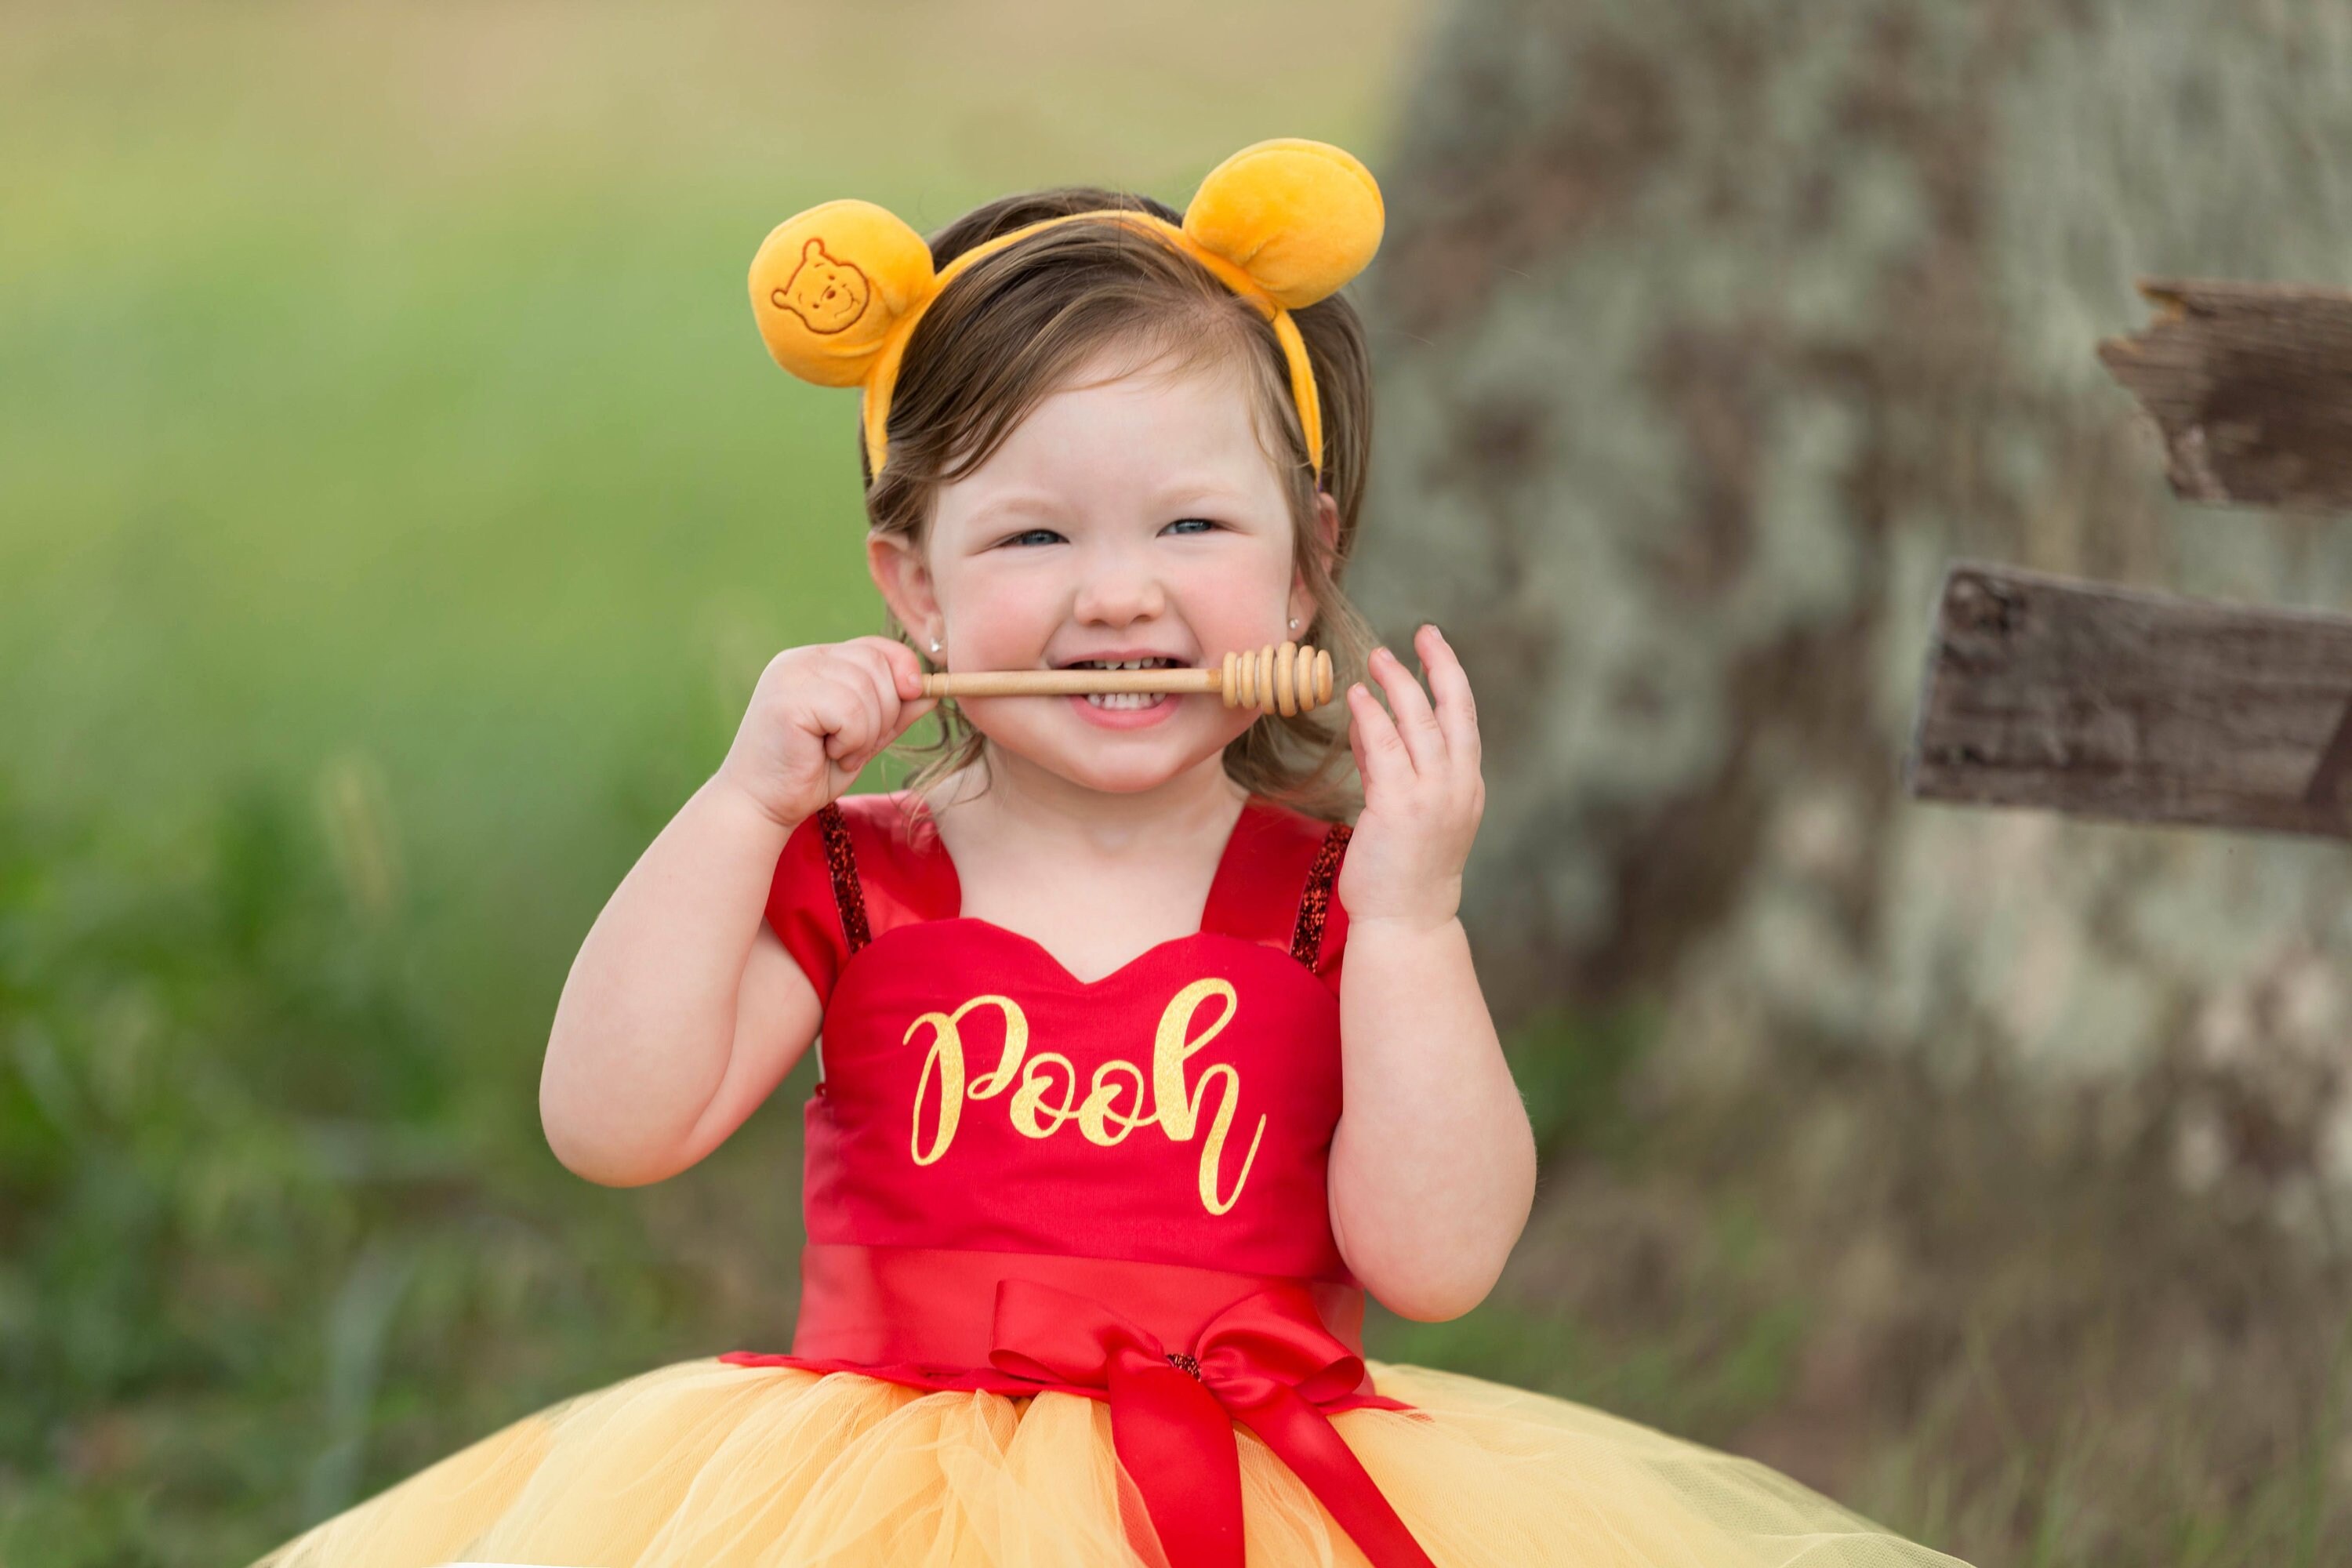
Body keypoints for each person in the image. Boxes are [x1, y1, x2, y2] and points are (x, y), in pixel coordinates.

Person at [249, 139, 1973, 1568]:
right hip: (881, 1509)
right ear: (916, 589)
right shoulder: (859, 873)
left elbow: (1438, 1260)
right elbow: (612, 1126)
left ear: (1305, 568)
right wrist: (737, 809)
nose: (1120, 592)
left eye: (1191, 525)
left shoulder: (1331, 902)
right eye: (1033, 533)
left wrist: (1416, 919)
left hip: (1253, 1489)